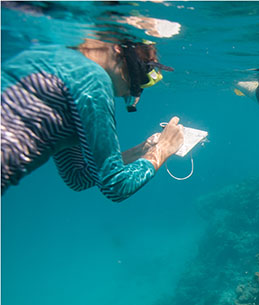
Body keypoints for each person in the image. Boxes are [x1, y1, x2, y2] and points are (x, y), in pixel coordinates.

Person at [1, 38, 184, 201]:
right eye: (143, 71)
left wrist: (140, 151)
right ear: (120, 50)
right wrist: (163, 149)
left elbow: (76, 177)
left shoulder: (53, 57)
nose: (135, 91)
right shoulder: (94, 82)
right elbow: (116, 187)